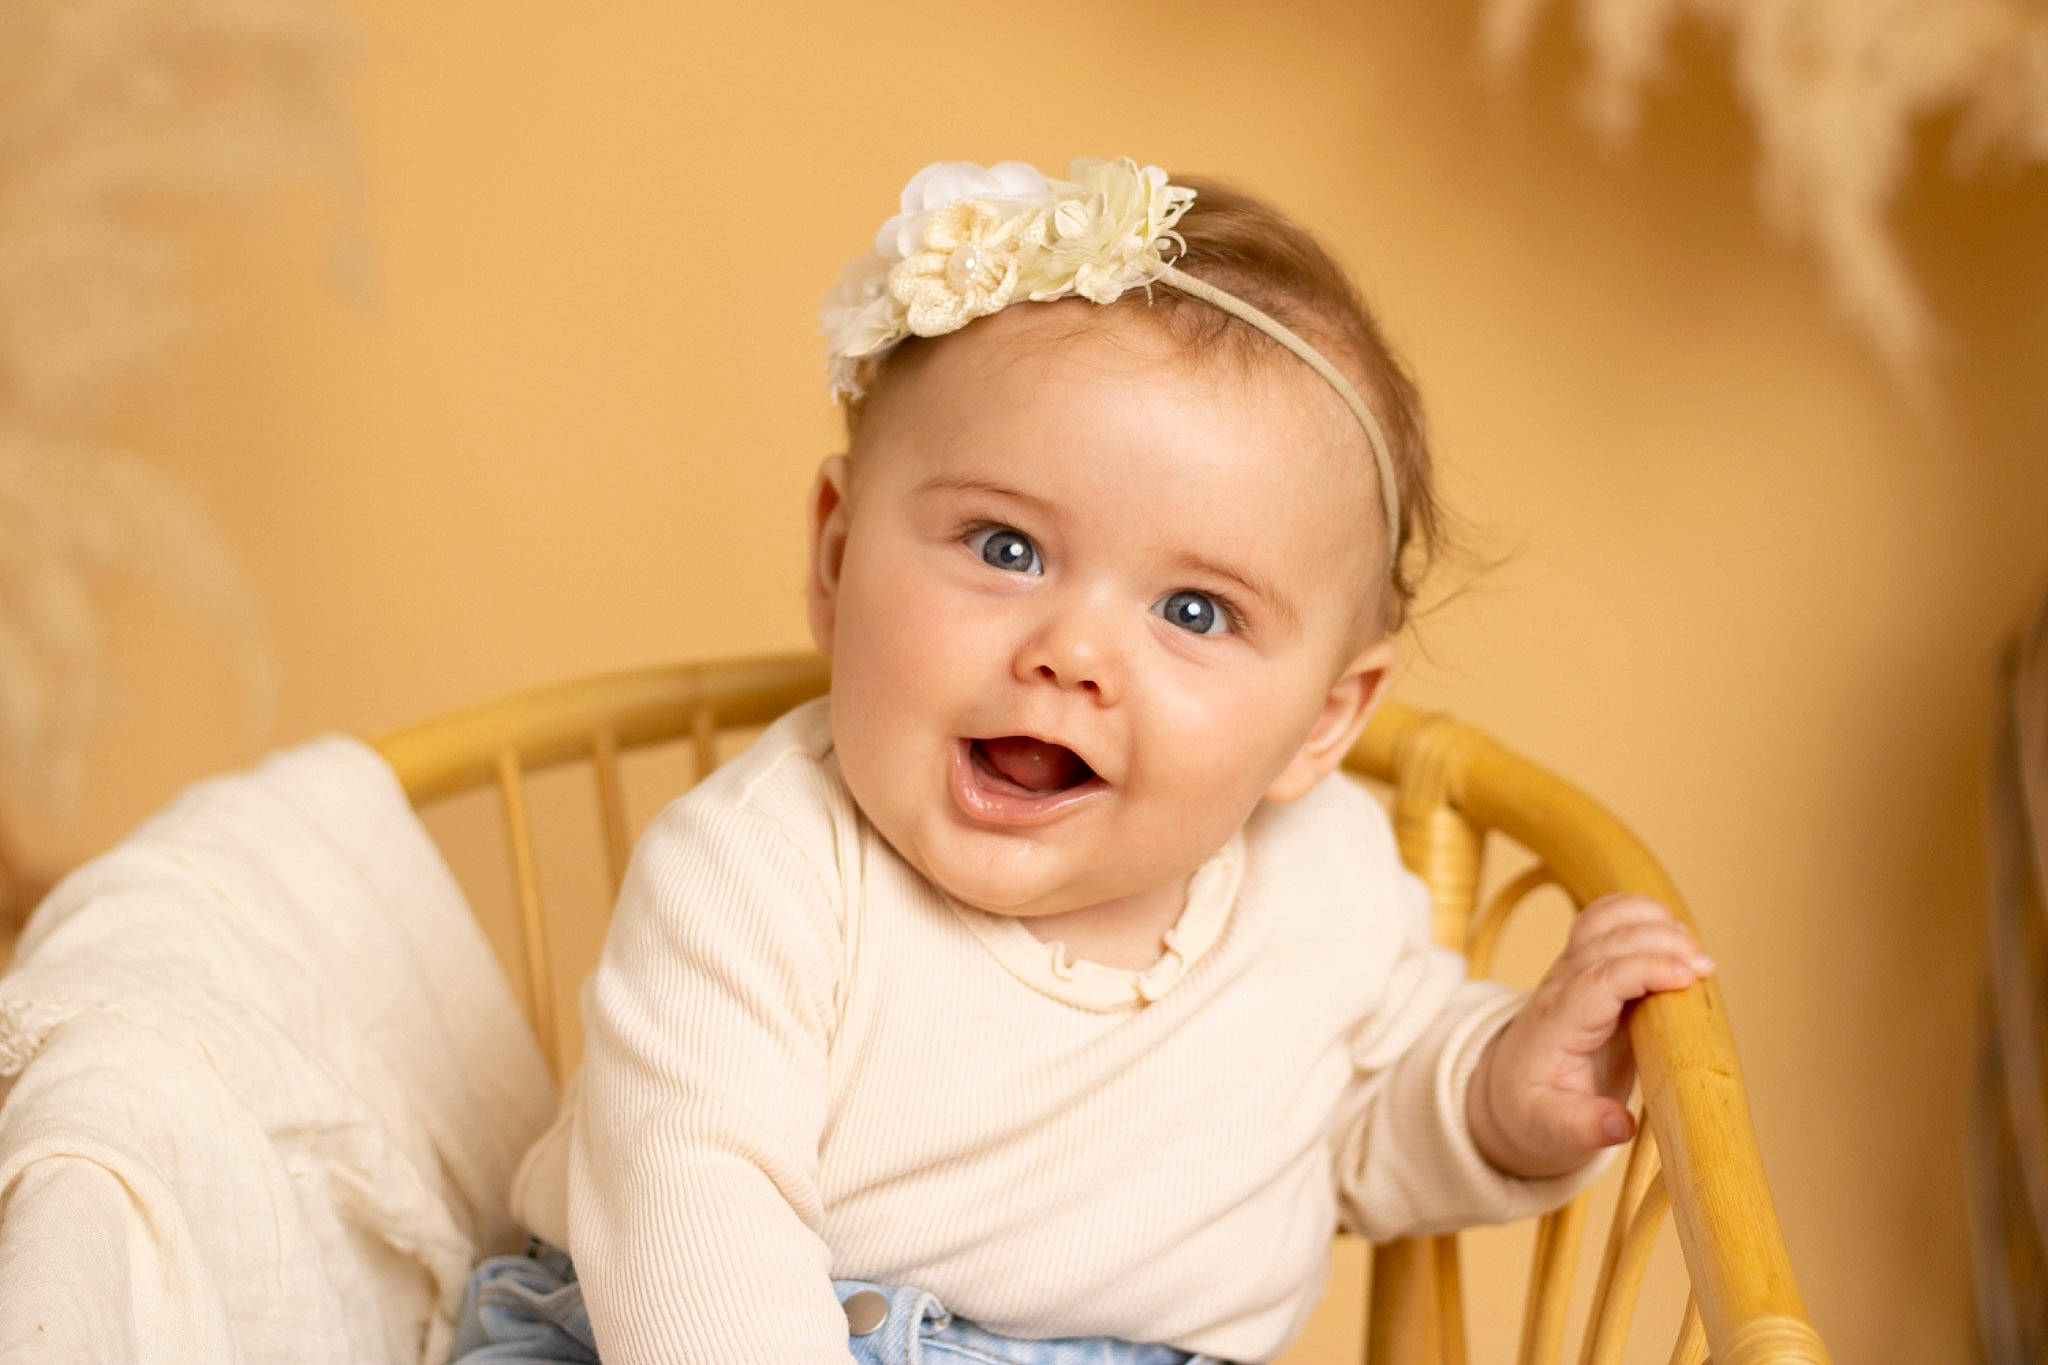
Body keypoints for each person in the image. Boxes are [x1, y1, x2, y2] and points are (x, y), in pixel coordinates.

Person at [447, 157, 1714, 1365]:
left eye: (1195, 612)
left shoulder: (1324, 878)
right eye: (1003, 549)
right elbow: (688, 1221)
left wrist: (1503, 1094)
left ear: (1325, 722)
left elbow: (1369, 1112)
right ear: (837, 560)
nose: (1073, 653)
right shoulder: (756, 871)